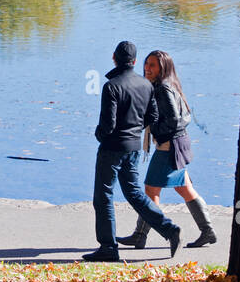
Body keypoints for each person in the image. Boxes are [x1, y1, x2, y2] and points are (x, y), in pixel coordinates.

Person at [83, 40, 182, 263]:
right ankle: (169, 229)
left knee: (103, 197)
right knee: (135, 194)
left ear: (114, 58)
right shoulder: (146, 85)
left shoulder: (112, 86)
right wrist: (136, 129)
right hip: (134, 147)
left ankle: (108, 246)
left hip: (112, 149)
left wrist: (99, 135)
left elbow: (107, 125)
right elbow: (153, 117)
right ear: (135, 61)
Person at [117, 49, 217, 249]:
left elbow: (173, 119)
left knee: (150, 190)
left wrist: (156, 131)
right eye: (146, 64)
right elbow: (186, 115)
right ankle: (207, 231)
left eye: (152, 65)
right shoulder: (170, 85)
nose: (147, 68)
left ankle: (140, 235)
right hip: (179, 144)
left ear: (163, 68)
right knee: (184, 188)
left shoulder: (162, 89)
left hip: (169, 146)